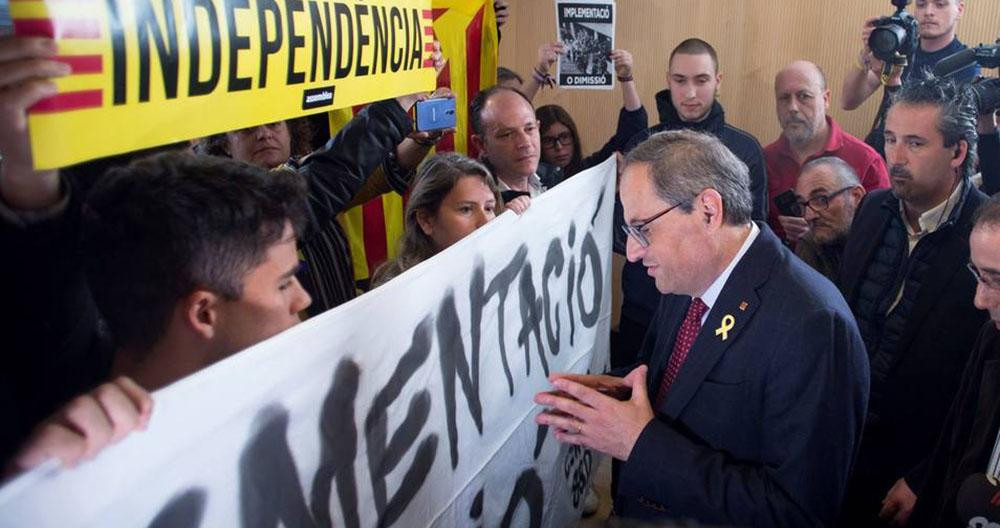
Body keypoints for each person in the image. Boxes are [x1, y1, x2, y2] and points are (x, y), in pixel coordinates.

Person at [535, 129, 869, 526]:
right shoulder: (686, 274)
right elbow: (671, 381)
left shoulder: (813, 325)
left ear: (708, 211)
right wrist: (609, 391)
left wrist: (639, 445)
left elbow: (796, 513)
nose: (635, 252)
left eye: (643, 228)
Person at [838, 76, 990, 525]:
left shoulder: (985, 236)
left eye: (915, 144)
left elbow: (981, 386)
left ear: (958, 152)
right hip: (844, 437)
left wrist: (927, 476)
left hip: (919, 465)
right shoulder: (871, 210)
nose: (895, 158)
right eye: (889, 138)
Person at [613, 37, 768, 367]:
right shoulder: (641, 145)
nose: (691, 93)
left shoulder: (744, 149)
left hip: (714, 309)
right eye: (680, 81)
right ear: (668, 80)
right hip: (645, 303)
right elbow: (621, 234)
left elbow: (752, 238)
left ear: (718, 80)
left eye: (701, 80)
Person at [900, 194, 1000, 527]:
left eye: (996, 280)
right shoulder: (991, 339)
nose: (980, 299)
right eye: (979, 276)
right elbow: (952, 450)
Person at [764, 60, 888, 242]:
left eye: (804, 96)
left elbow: (883, 233)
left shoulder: (866, 160)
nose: (792, 107)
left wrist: (825, 231)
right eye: (784, 98)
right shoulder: (764, 160)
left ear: (826, 99)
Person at [841, 0, 979, 157]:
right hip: (880, 151)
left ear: (959, 10)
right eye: (921, 5)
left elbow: (931, 128)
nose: (928, 12)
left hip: (918, 161)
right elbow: (848, 102)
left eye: (940, 4)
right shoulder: (901, 49)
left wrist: (893, 83)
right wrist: (866, 54)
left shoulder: (964, 63)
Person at [371, 153, 505, 285]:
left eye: (488, 208)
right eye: (466, 209)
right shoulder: (397, 291)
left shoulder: (503, 266)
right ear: (426, 220)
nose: (485, 223)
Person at [535, 47, 647, 177]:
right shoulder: (527, 180)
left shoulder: (588, 172)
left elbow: (634, 131)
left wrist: (626, 78)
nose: (559, 147)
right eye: (549, 141)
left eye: (565, 137)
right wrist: (539, 73)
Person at [470, 86, 562, 199]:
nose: (525, 143)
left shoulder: (554, 179)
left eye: (529, 129)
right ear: (481, 144)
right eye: (507, 134)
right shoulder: (475, 199)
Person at [792, 157, 867, 284]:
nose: (808, 216)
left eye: (821, 199)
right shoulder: (809, 246)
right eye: (802, 204)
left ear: (856, 197)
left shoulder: (886, 241)